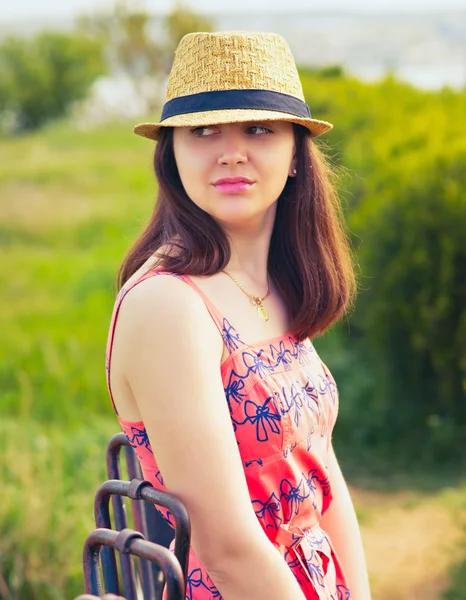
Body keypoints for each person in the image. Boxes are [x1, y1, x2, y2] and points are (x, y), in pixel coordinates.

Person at [105, 30, 371, 600]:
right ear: (172, 154)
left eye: (258, 128)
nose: (231, 152)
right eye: (203, 131)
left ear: (296, 153)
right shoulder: (168, 304)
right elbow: (225, 548)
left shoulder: (272, 286)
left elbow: (321, 474)